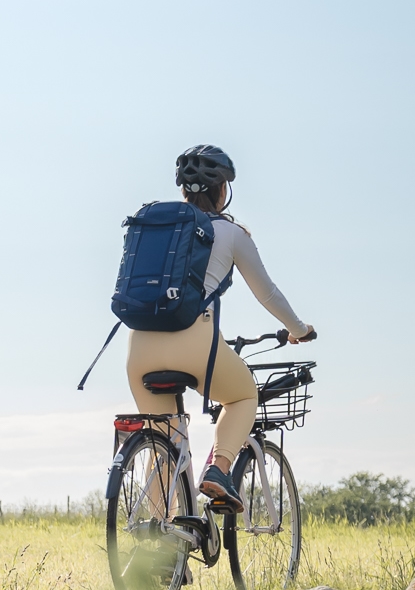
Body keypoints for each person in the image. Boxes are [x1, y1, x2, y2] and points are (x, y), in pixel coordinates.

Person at [127, 144, 316, 520]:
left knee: (164, 441)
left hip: (139, 349)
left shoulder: (154, 227)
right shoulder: (230, 233)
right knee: (244, 396)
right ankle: (220, 469)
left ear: (182, 189)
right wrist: (299, 329)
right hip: (194, 345)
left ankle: (164, 549)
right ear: (223, 190)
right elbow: (268, 293)